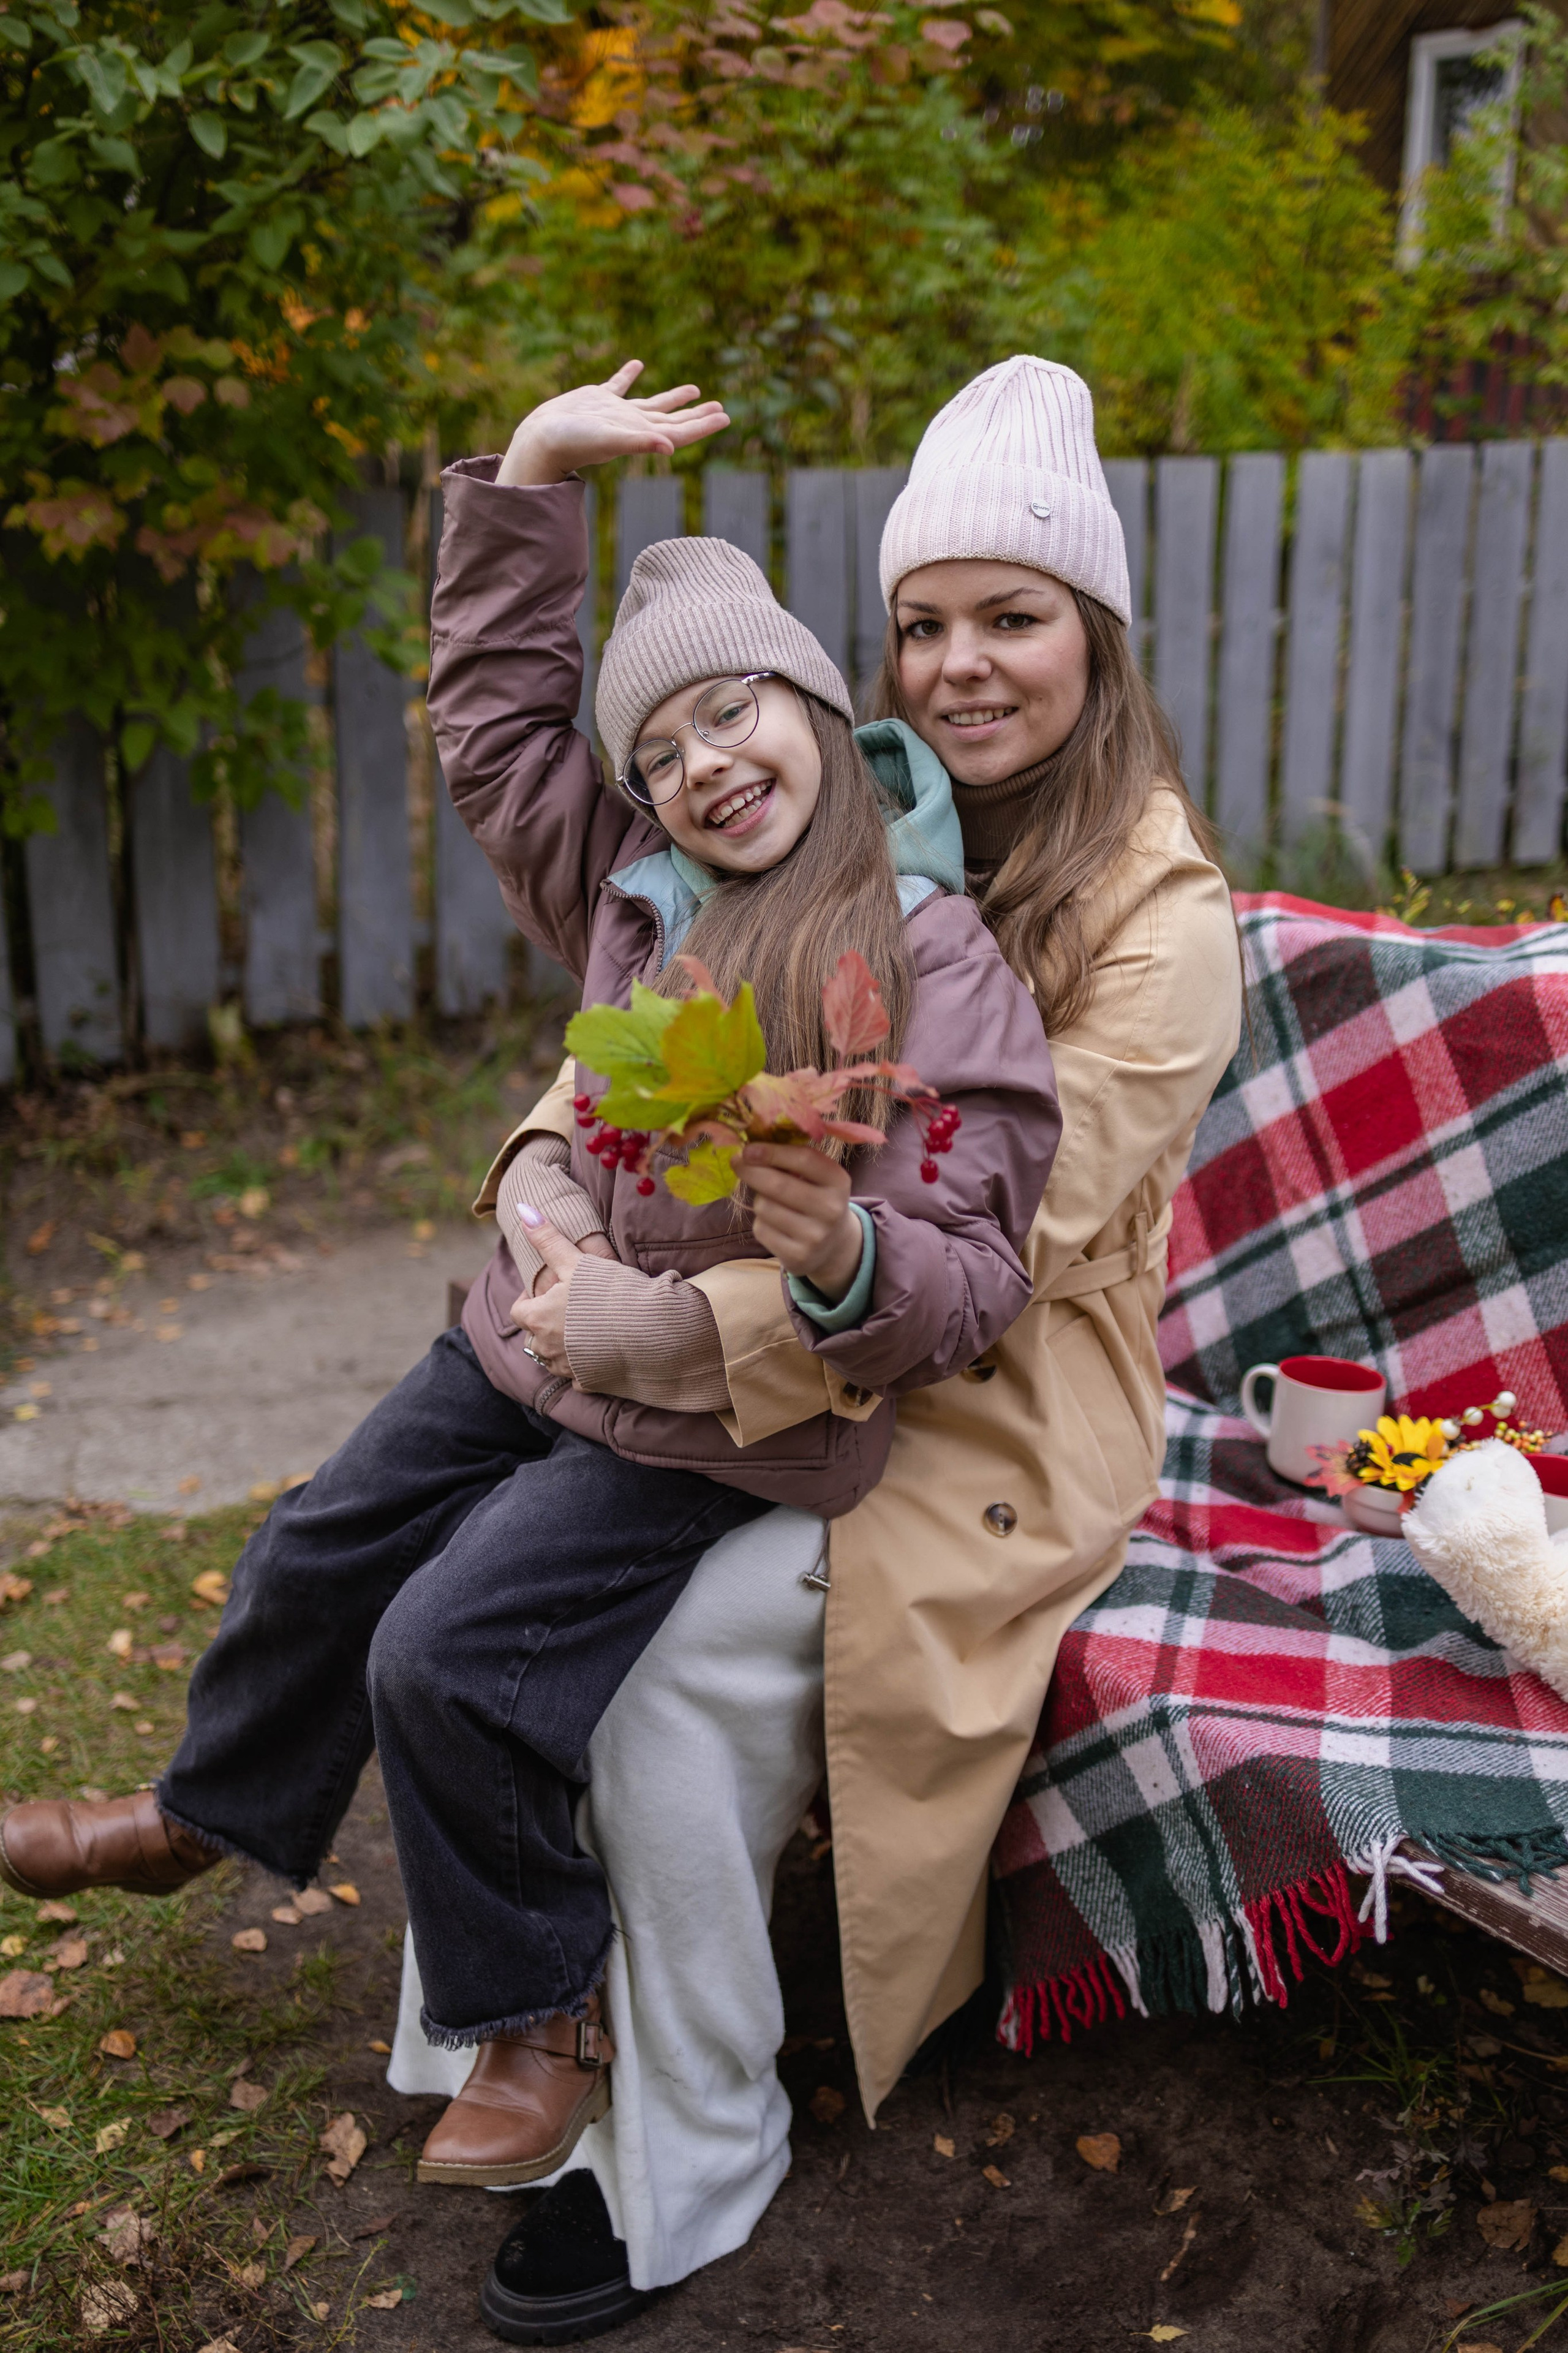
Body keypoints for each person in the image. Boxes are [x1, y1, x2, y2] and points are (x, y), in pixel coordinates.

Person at [0, 367, 1060, 2214]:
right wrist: (533, 479)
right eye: (660, 751)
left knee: (446, 1651)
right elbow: (498, 728)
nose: (703, 766)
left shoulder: (928, 950)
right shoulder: (632, 892)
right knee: (321, 1542)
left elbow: (975, 1269)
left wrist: (840, 1256)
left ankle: (537, 2012)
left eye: (732, 711)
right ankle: (205, 1806)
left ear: (816, 704)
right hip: (530, 1344)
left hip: (710, 1423)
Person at [414, 354, 1244, 2342]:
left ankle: (696, 2139)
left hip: (984, 1404)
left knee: (668, 1668)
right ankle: (519, 2031)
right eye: (923, 623)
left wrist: (655, 1332)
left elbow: (997, 1260)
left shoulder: (1158, 918)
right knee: (473, 1559)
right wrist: (543, 1183)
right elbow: (638, 1033)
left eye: (1012, 617)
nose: (961, 665)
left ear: (1096, 630)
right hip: (768, 1348)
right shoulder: (837, 812)